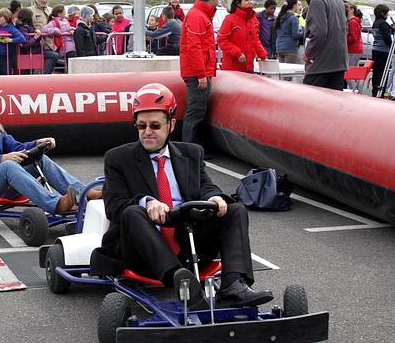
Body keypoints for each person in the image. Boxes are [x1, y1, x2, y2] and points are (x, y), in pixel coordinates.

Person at [97, 82, 274, 308]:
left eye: (154, 125)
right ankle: (180, 280)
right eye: (141, 125)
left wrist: (215, 198)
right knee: (132, 211)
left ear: (171, 124)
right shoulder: (118, 158)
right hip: (143, 248)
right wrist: (148, 202)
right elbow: (114, 206)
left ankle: (233, 285)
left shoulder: (191, 153)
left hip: (189, 240)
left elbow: (206, 186)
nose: (147, 132)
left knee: (234, 209)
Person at [0, 78, 101, 215]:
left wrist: (37, 143)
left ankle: (84, 193)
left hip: (3, 184)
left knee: (40, 158)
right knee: (8, 165)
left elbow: (16, 147)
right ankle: (55, 204)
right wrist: (1, 159)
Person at [179, 0, 218, 148]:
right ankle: (189, 148)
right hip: (197, 73)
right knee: (195, 112)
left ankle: (193, 147)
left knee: (197, 111)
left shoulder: (199, 14)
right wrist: (201, 74)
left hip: (199, 71)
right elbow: (194, 47)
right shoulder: (198, 16)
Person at [302, 0, 348, 90]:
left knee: (311, 101)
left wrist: (309, 53)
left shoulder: (317, 0)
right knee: (333, 102)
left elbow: (318, 32)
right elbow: (345, 29)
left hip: (320, 63)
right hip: (338, 62)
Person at [217, 0, 267, 72]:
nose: (250, 2)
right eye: (246, 0)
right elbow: (222, 40)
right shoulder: (230, 19)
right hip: (232, 68)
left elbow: (256, 40)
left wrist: (263, 55)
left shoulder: (254, 20)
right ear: (238, 3)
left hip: (249, 66)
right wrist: (237, 53)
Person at [29, 0, 55, 74]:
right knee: (36, 70)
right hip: (37, 44)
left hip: (51, 44)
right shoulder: (29, 11)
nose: (44, 0)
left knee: (51, 64)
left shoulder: (51, 10)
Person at [275, 0, 304, 68]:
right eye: (297, 4)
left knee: (281, 71)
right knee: (288, 72)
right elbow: (295, 35)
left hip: (279, 46)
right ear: (294, 5)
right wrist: (303, 31)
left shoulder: (280, 16)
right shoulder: (294, 18)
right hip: (290, 47)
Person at [370, 4, 392, 97]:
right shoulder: (384, 24)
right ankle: (381, 92)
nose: (387, 15)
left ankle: (375, 91)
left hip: (375, 49)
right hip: (383, 50)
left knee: (376, 71)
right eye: (386, 13)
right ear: (383, 13)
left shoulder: (375, 23)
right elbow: (387, 39)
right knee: (383, 72)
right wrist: (394, 48)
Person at [345, 3, 363, 90]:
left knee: (348, 72)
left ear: (352, 10)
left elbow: (352, 37)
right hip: (357, 49)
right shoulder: (356, 21)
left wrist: (344, 40)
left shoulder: (352, 22)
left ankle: (354, 90)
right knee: (354, 72)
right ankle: (357, 89)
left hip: (353, 49)